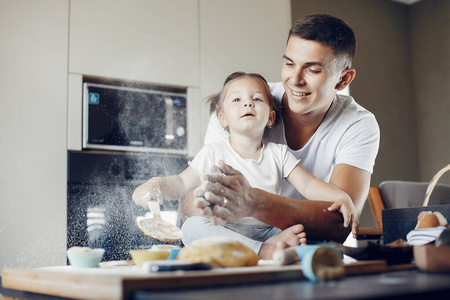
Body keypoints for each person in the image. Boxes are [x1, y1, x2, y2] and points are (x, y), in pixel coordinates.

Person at [179, 14, 380, 244]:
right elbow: (187, 205)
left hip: (294, 240)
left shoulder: (357, 124)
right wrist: (203, 199)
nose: (295, 80)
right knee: (193, 227)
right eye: (289, 63)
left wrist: (255, 202)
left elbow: (339, 224)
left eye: (313, 70)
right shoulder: (240, 106)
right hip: (234, 238)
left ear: (344, 80)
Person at [133, 71, 358, 259]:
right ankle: (262, 251)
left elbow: (309, 185)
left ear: (270, 117)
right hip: (225, 229)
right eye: (237, 100)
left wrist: (342, 197)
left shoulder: (278, 153)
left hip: (269, 227)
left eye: (257, 99)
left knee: (302, 231)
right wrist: (157, 185)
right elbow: (182, 182)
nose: (248, 103)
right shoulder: (214, 151)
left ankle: (270, 245)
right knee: (191, 227)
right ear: (222, 119)